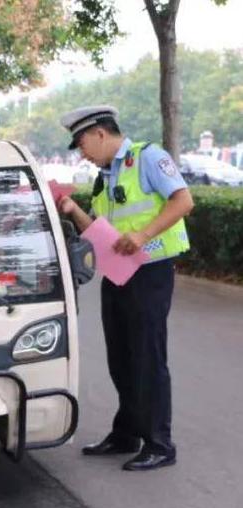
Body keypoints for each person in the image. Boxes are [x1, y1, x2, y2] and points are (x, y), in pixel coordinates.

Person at [56, 105, 193, 471]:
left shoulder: (148, 157)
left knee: (148, 357)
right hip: (117, 274)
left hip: (150, 273)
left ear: (101, 133)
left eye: (83, 144)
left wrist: (143, 234)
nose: (82, 153)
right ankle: (127, 432)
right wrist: (71, 209)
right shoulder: (105, 176)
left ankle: (160, 444)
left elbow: (184, 200)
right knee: (120, 356)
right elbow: (101, 233)